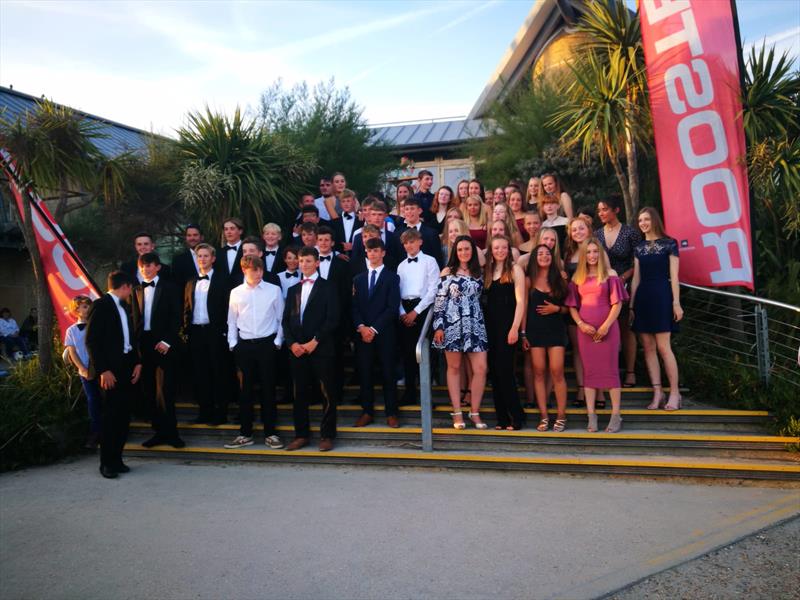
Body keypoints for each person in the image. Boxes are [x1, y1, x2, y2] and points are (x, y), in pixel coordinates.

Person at [566, 239, 628, 433]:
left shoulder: (610, 275)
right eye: (589, 252)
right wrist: (581, 324)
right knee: (589, 372)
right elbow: (572, 306)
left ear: (600, 254)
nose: (592, 255)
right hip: (585, 332)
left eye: (595, 252)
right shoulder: (577, 277)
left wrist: (606, 326)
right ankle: (591, 415)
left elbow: (617, 304)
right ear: (584, 255)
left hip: (608, 330)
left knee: (611, 371)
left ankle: (616, 415)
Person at [283, 247, 341, 452]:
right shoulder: (292, 290)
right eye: (301, 261)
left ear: (317, 263)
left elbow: (333, 318)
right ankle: (301, 435)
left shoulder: (329, 287)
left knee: (327, 393)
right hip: (297, 350)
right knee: (298, 394)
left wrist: (315, 340)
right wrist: (292, 344)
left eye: (308, 261)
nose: (304, 265)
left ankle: (326, 435)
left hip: (321, 347)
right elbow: (285, 321)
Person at [224, 255, 285, 450]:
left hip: (267, 344)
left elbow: (281, 318)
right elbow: (232, 320)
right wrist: (233, 343)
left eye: (260, 270)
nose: (258, 273)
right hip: (244, 346)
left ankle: (271, 434)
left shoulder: (274, 290)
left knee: (268, 389)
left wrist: (277, 341)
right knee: (245, 391)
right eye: (254, 270)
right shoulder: (236, 293)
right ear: (245, 270)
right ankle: (245, 433)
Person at [85, 271, 142, 479]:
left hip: (127, 366)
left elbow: (130, 338)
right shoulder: (101, 305)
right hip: (109, 370)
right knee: (110, 417)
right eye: (131, 288)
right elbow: (92, 341)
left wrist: (137, 362)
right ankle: (106, 463)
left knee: (123, 416)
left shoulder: (125, 307)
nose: (132, 293)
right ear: (125, 286)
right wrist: (103, 370)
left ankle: (117, 460)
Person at [432, 235, 489, 430]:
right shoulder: (448, 271)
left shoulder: (478, 272)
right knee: (454, 368)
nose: (464, 252)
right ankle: (457, 412)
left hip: (475, 324)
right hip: (452, 323)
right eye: (460, 249)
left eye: (467, 248)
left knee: (481, 368)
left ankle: (474, 412)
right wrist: (438, 326)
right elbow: (439, 301)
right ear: (455, 252)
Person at [630, 207, 683, 411]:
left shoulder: (670, 244)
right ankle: (657, 393)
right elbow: (636, 279)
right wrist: (632, 306)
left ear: (654, 221)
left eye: (646, 219)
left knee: (663, 347)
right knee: (648, 348)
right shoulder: (639, 248)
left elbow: (675, 276)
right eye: (640, 220)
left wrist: (676, 302)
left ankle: (675, 393)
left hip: (662, 296)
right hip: (643, 298)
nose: (643, 223)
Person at [131, 252, 184, 449]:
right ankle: (158, 432)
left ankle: (172, 434)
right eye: (142, 266)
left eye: (149, 265)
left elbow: (177, 317)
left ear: (158, 267)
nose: (146, 269)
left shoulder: (170, 288)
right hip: (143, 345)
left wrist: (167, 341)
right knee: (150, 390)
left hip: (163, 345)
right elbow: (132, 320)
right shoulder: (135, 290)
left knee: (165, 390)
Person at [351, 238, 402, 428]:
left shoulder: (392, 277)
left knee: (388, 373)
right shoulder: (358, 279)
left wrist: (373, 329)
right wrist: (362, 327)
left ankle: (392, 413)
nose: (372, 254)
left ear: (383, 253)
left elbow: (392, 307)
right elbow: (354, 308)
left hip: (385, 333)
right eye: (369, 251)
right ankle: (367, 412)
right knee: (365, 373)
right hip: (363, 334)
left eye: (376, 251)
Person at [596, 197, 642, 388]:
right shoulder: (596, 234)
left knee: (626, 328)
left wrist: (623, 277)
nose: (601, 213)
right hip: (602, 287)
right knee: (605, 327)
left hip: (626, 284)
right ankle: (608, 370)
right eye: (599, 210)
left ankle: (630, 372)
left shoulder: (630, 232)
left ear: (616, 210)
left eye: (605, 209)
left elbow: (637, 261)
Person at [523, 244, 569, 432]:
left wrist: (556, 309)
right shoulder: (529, 280)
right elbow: (523, 309)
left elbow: (571, 308)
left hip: (556, 329)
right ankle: (544, 416)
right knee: (539, 372)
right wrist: (523, 333)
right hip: (535, 331)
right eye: (540, 254)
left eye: (547, 253)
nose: (544, 256)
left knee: (557, 371)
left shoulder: (561, 278)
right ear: (534, 258)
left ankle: (561, 415)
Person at [183, 243, 230, 425]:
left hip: (216, 333)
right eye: (199, 256)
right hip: (196, 333)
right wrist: (186, 331)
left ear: (213, 259)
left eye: (205, 256)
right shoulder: (190, 282)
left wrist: (224, 332)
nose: (202, 259)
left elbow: (228, 308)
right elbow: (186, 308)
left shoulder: (223, 280)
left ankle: (221, 413)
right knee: (200, 374)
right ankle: (204, 412)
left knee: (219, 373)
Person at [483, 235, 526, 430]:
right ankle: (501, 419)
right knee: (494, 373)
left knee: (506, 373)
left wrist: (515, 328)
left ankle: (517, 417)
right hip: (489, 328)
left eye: (503, 247)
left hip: (508, 328)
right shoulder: (488, 271)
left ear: (509, 250)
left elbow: (521, 302)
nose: (500, 251)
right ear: (491, 250)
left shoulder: (515, 269)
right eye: (496, 248)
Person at [397, 228, 440, 406]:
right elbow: (397, 292)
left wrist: (416, 311)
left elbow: (434, 289)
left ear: (420, 242)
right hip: (405, 310)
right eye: (406, 243)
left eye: (412, 241)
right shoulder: (401, 265)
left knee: (424, 353)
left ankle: (426, 396)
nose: (409, 245)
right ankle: (409, 393)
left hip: (423, 309)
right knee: (407, 353)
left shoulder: (430, 261)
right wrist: (402, 312)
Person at [64, 296, 102, 449]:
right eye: (84, 307)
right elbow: (72, 351)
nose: (87, 309)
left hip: (101, 369)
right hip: (85, 371)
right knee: (93, 401)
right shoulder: (71, 330)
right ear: (76, 310)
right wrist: (82, 368)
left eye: (89, 306)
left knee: (106, 400)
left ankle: (110, 431)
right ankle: (95, 433)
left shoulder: (98, 325)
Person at [396, 197, 444, 266]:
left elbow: (438, 259)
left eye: (412, 208)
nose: (409, 211)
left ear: (420, 211)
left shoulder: (432, 233)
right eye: (407, 209)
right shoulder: (397, 234)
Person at [332, 189, 362, 254]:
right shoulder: (334, 222)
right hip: (339, 259)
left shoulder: (361, 221)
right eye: (343, 201)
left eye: (348, 201)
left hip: (357, 257)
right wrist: (338, 254)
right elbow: (332, 241)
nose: (346, 204)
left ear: (354, 202)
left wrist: (354, 246)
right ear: (340, 203)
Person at [218, 217, 245, 290]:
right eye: (226, 229)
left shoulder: (247, 251)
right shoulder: (218, 253)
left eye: (232, 228)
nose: (228, 232)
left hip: (243, 292)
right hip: (222, 294)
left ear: (240, 231)